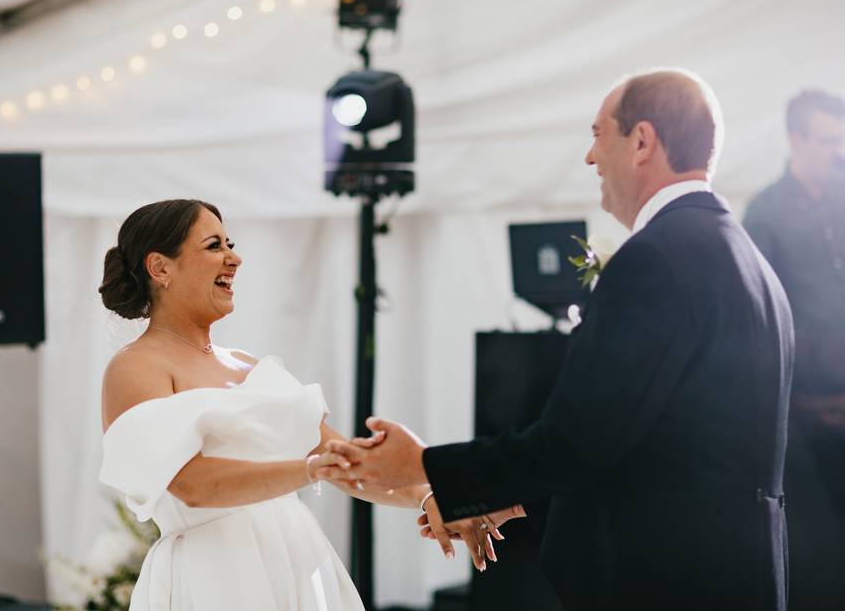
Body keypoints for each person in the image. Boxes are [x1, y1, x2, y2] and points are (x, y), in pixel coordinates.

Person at [325, 69, 795, 611]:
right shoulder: (743, 257)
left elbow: (577, 440)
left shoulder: (656, 261)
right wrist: (512, 503)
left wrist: (425, 466)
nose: (590, 158)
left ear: (642, 141)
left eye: (599, 135)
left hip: (667, 581)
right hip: (731, 572)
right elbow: (659, 450)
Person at [96, 199, 447, 610]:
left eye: (230, 244)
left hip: (298, 561)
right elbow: (192, 485)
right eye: (214, 246)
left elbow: (344, 462)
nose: (235, 258)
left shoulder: (250, 366)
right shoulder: (135, 367)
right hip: (216, 578)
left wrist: (431, 497)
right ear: (160, 268)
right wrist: (309, 469)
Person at [743, 89, 845, 610]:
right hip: (801, 423)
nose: (837, 151)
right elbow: (757, 323)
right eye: (827, 140)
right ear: (795, 139)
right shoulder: (764, 214)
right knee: (815, 557)